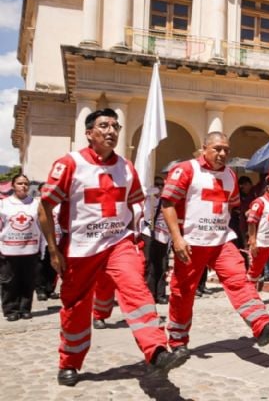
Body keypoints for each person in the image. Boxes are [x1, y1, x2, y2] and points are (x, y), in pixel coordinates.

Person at [39, 109, 186, 386]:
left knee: (137, 290)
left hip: (118, 242)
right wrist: (53, 249)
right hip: (80, 248)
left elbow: (133, 204)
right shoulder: (69, 164)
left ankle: (156, 351)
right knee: (76, 308)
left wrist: (133, 236)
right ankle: (69, 361)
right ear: (89, 133)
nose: (111, 131)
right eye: (104, 125)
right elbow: (45, 206)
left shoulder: (126, 167)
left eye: (115, 126)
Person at [161, 131, 269, 354]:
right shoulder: (186, 170)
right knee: (183, 292)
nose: (222, 153)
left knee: (240, 280)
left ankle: (262, 325)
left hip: (221, 241)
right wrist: (178, 238)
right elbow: (167, 203)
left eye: (226, 150)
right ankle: (178, 341)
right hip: (191, 242)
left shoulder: (230, 175)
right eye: (217, 148)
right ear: (204, 148)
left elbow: (231, 206)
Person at [0, 174, 42, 321]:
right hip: (8, 249)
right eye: (19, 183)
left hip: (30, 249)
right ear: (13, 185)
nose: (23, 186)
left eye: (26, 183)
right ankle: (10, 309)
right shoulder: (4, 204)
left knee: (28, 280)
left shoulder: (35, 203)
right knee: (9, 281)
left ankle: (25, 308)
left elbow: (41, 226)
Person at [143, 176, 171, 305]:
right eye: (157, 185)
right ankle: (150, 294)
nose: (160, 188)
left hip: (164, 236)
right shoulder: (150, 199)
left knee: (162, 265)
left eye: (162, 185)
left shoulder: (165, 200)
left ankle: (161, 294)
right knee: (150, 266)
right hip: (150, 234)